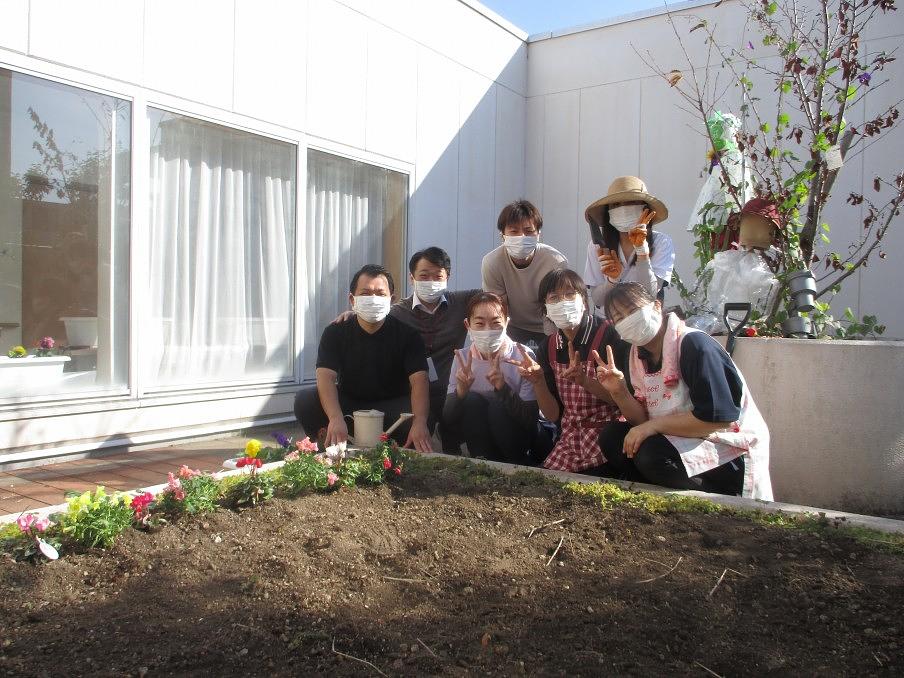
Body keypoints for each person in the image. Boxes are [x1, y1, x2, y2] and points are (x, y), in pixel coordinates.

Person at [595, 282, 772, 500]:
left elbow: (718, 420)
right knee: (613, 438)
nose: (628, 320)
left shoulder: (694, 345)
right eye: (619, 318)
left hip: (727, 447)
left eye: (632, 310)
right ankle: (651, 495)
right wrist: (619, 391)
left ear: (657, 306)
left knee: (651, 455)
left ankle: (721, 498)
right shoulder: (637, 356)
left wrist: (653, 426)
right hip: (680, 439)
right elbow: (641, 420)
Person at [331, 247, 479, 452]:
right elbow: (373, 311)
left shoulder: (463, 301)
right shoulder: (397, 311)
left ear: (448, 277)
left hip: (450, 388)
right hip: (415, 392)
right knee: (419, 420)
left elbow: (496, 301)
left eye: (438, 276)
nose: (431, 282)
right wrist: (352, 314)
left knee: (457, 425)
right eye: (424, 276)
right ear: (412, 278)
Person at [294, 264, 433, 452]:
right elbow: (325, 376)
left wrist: (420, 421)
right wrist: (335, 417)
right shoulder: (335, 332)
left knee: (422, 415)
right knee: (306, 399)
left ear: (391, 299)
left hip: (392, 408)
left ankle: (397, 452)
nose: (373, 299)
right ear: (352, 299)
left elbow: (419, 381)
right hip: (349, 404)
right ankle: (327, 446)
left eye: (380, 294)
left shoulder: (408, 335)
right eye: (365, 293)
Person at [508, 268, 623, 473]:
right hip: (570, 439)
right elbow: (553, 415)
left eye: (570, 294)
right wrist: (538, 381)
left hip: (609, 436)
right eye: (554, 298)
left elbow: (622, 400)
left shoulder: (609, 335)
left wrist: (585, 381)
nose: (563, 302)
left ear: (584, 301)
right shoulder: (549, 347)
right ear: (545, 309)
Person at [442, 292, 551, 465]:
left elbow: (530, 421)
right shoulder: (462, 359)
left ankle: (519, 465)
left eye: (495, 323)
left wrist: (503, 388)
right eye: (479, 323)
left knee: (498, 405)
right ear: (467, 325)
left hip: (524, 440)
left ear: (507, 323)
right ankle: (482, 462)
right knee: (471, 400)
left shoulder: (523, 356)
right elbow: (448, 417)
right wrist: (461, 391)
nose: (488, 330)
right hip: (484, 439)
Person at [481, 199, 568, 348]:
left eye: (528, 231)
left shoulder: (555, 261)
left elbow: (555, 304)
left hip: (548, 323)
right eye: (514, 231)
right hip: (513, 325)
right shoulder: (492, 262)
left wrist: (551, 346)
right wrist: (502, 343)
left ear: (538, 234)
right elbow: (498, 306)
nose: (522, 237)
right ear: (502, 235)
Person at [583, 176, 675, 314]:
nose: (624, 209)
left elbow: (650, 293)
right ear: (608, 213)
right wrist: (612, 280)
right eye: (616, 205)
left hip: (646, 321)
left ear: (646, 209)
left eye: (631, 202)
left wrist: (642, 251)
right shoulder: (597, 246)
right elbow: (597, 300)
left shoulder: (662, 242)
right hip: (610, 323)